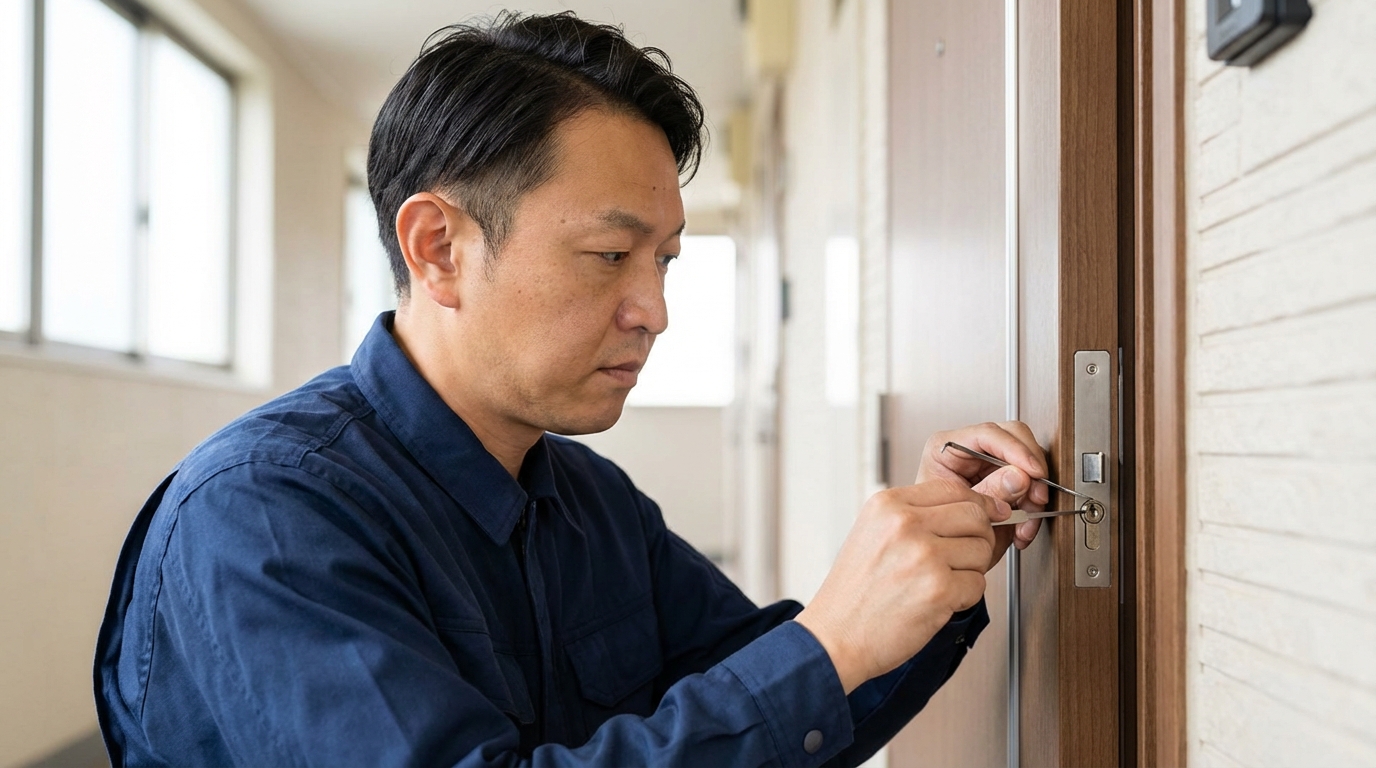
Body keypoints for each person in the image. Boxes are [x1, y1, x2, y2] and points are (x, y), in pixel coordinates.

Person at [94, 12, 1050, 767]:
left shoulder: (589, 499)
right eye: (608, 255)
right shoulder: (264, 513)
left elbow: (772, 714)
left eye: (666, 263)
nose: (655, 311)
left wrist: (937, 555)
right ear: (439, 249)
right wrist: (834, 643)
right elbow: (803, 675)